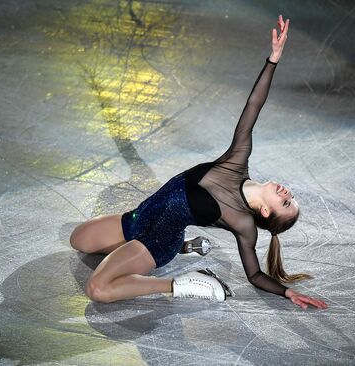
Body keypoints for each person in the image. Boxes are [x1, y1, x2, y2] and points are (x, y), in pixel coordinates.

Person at [70, 15, 328, 310]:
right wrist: (274, 58)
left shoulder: (243, 223)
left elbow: (255, 274)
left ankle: (184, 283)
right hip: (138, 218)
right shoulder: (236, 161)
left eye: (286, 203)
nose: (287, 193)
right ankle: (185, 248)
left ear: (266, 211)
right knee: (79, 240)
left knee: (98, 288)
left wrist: (286, 293)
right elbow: (253, 105)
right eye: (291, 198)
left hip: (155, 243)